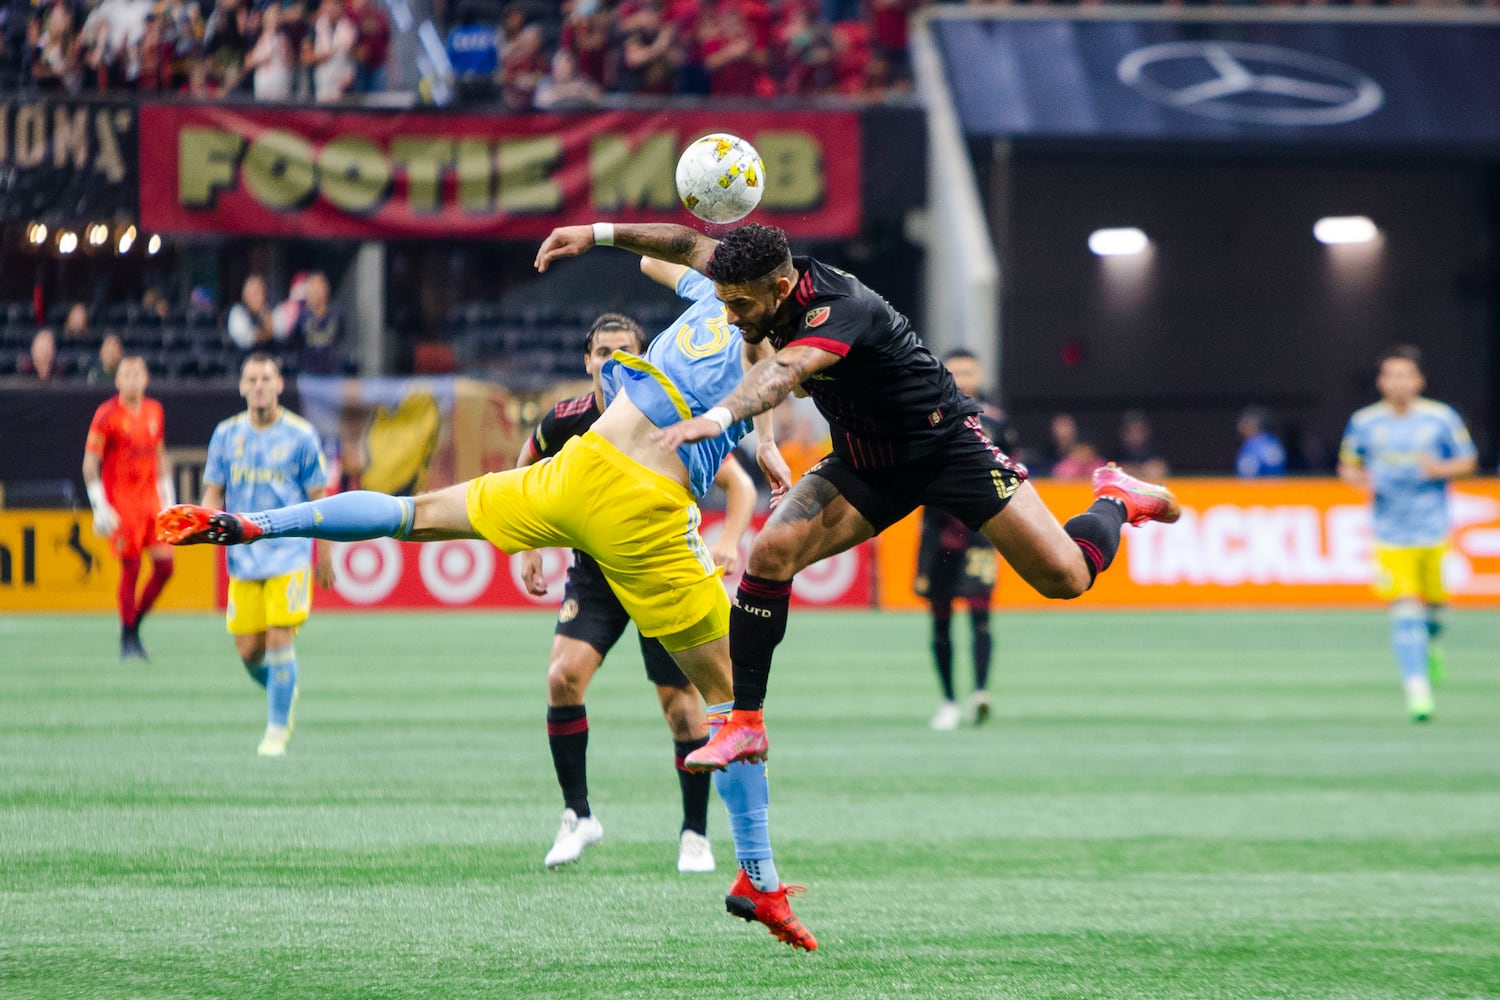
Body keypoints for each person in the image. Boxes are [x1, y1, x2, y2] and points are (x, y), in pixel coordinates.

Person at [157, 254, 817, 951]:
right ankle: (757, 876)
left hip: (575, 477)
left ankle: (262, 523)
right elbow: (766, 365)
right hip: (645, 519)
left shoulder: (706, 298)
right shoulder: (782, 339)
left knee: (410, 514)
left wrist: (600, 233)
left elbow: (672, 254)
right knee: (733, 704)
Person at [531, 222, 1179, 773]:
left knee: (1064, 576)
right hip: (867, 464)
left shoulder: (841, 310)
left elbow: (784, 372)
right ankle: (747, 723)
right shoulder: (757, 280)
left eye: (737, 305)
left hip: (944, 447)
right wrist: (595, 235)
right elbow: (682, 241)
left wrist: (721, 418)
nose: (727, 316)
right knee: (770, 554)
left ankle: (1117, 498)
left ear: (780, 291)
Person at [516, 311, 756, 872]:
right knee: (561, 677)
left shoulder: (665, 413)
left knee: (681, 712)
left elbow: (738, 485)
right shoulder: (568, 419)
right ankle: (578, 816)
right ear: (587, 361)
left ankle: (694, 834)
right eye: (601, 352)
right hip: (597, 574)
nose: (610, 361)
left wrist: (729, 542)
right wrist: (527, 545)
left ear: (642, 359)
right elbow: (526, 462)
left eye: (623, 350)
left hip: (656, 571)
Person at [199, 353, 334, 756]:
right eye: (252, 379)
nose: (259, 385)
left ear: (278, 385)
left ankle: (276, 730)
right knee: (248, 652)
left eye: (266, 378)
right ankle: (283, 687)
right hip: (243, 560)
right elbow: (214, 491)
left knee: (279, 638)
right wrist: (201, 523)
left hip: (289, 555)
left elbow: (318, 500)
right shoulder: (225, 435)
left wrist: (323, 556)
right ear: (242, 387)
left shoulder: (301, 436)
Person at [1337, 345, 1476, 722]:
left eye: (1405, 375)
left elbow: (1468, 460)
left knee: (1433, 611)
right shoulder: (1365, 421)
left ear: (1419, 381)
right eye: (1391, 375)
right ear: (1381, 382)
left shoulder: (1440, 418)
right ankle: (1417, 691)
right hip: (1390, 533)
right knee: (1403, 609)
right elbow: (1347, 466)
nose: (1398, 382)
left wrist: (1440, 469)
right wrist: (1359, 478)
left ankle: (1430, 644)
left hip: (1432, 529)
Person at [915, 349, 1007, 731]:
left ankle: (981, 692)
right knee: (939, 620)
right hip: (939, 535)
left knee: (981, 615)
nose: (964, 377)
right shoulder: (926, 417)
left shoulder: (997, 423)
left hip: (981, 534)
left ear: (980, 374)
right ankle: (949, 700)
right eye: (956, 371)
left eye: (970, 371)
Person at [83, 355, 176, 661]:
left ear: (145, 378)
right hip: (123, 505)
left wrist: (169, 498)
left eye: (138, 373)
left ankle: (134, 624)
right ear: (118, 380)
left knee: (165, 568)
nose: (133, 379)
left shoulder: (155, 410)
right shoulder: (107, 415)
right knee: (132, 569)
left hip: (151, 503)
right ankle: (127, 638)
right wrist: (100, 506)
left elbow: (160, 456)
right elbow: (90, 464)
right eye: (127, 374)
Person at [285, 272, 348, 375]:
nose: (316, 292)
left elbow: (341, 335)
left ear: (326, 289)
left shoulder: (337, 313)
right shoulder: (302, 315)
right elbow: (294, 341)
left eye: (319, 287)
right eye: (312, 287)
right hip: (308, 373)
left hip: (332, 372)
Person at [226, 275, 281, 351]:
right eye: (256, 293)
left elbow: (277, 332)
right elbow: (251, 338)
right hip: (244, 359)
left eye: (262, 292)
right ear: (245, 295)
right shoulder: (238, 312)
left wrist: (263, 312)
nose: (260, 296)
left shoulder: (267, 310)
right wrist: (268, 333)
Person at [1235, 405, 1287, 478]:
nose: (1241, 428)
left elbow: (1247, 478)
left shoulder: (1252, 446)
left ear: (1254, 424)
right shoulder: (1274, 442)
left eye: (1245, 423)